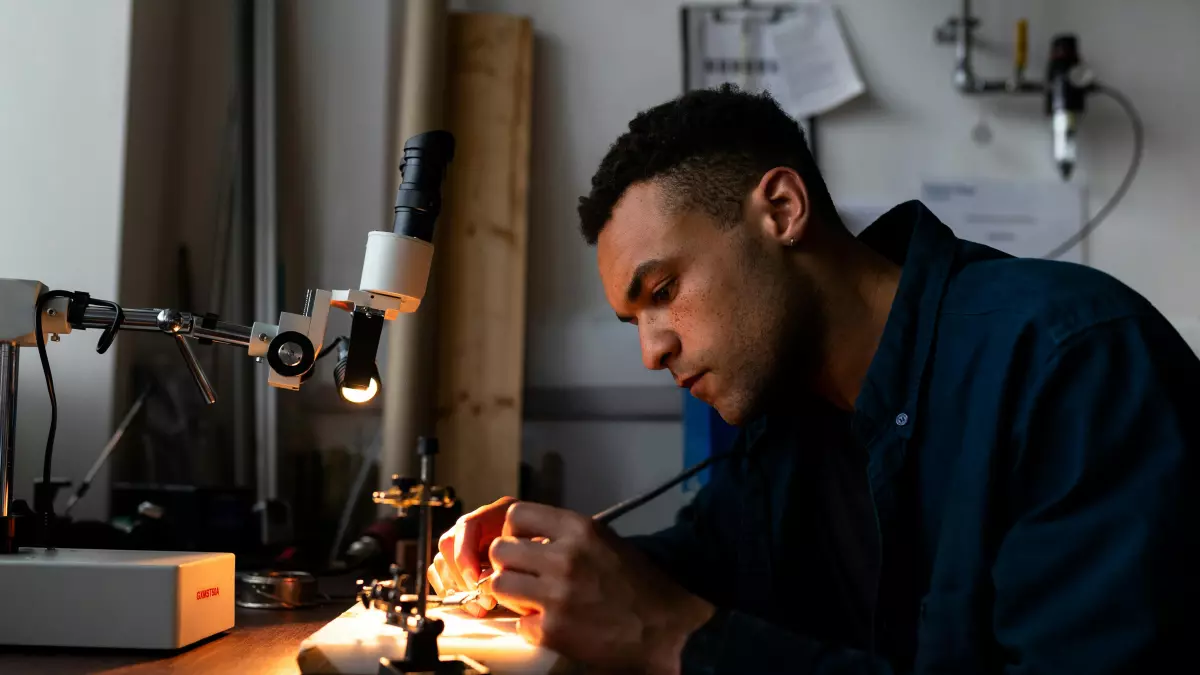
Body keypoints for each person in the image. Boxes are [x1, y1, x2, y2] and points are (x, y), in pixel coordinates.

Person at [427, 84, 1199, 674]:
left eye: (662, 292)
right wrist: (549, 571)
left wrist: (671, 636)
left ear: (784, 209)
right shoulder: (787, 415)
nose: (652, 352)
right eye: (634, 321)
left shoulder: (1071, 366)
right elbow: (710, 559)